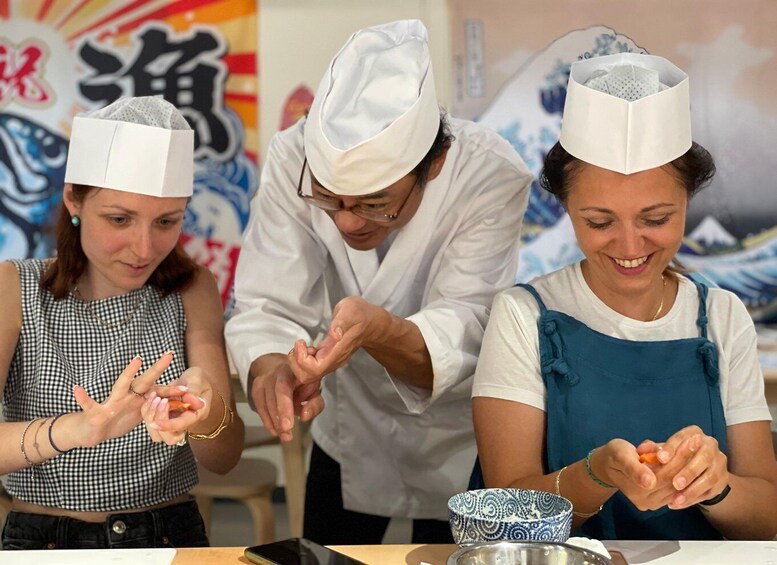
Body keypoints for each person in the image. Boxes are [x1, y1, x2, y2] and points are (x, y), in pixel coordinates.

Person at [225, 19, 532, 544]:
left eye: (375, 205)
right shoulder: (292, 156)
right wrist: (272, 370)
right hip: (349, 425)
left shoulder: (488, 174)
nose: (346, 223)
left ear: (431, 166)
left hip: (459, 430)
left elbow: (467, 319)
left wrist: (379, 331)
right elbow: (267, 300)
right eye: (329, 200)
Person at [472, 53, 777, 540]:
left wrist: (714, 486)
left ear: (688, 203)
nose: (631, 247)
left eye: (656, 219)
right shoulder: (524, 316)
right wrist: (594, 475)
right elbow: (503, 521)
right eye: (599, 222)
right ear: (566, 208)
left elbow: (768, 523)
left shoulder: (720, 316)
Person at [0, 96, 245, 550]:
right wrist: (81, 429)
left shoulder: (192, 289)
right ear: (74, 198)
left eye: (167, 221)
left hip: (168, 534)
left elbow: (224, 458)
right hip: (44, 541)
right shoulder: (15, 287)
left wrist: (206, 414)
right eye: (119, 219)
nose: (145, 248)